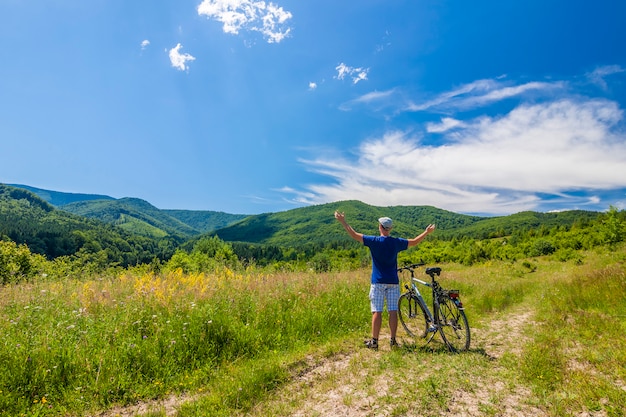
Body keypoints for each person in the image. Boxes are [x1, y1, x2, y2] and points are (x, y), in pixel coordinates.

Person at [334, 211, 436, 350]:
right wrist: (426, 232)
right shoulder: (396, 242)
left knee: (377, 312)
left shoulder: (374, 241)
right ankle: (393, 341)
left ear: (380, 227)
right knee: (393, 312)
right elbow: (414, 242)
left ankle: (375, 342)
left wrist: (343, 221)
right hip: (393, 282)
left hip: (378, 282)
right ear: (390, 229)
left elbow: (354, 234)